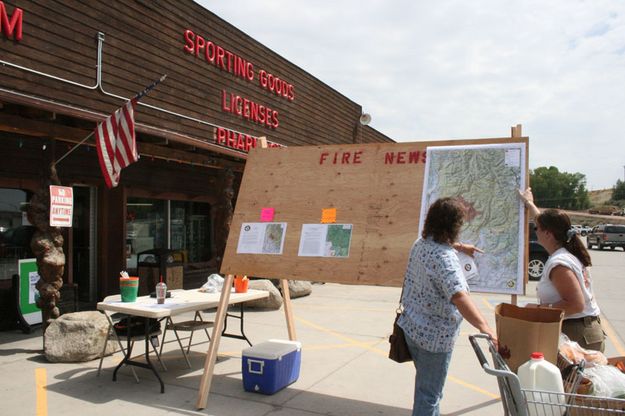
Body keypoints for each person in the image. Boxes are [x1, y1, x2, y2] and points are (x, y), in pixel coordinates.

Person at [397, 197, 497, 416]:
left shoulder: (420, 244)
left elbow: (440, 245)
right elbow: (460, 297)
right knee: (429, 396)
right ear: (454, 226)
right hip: (434, 339)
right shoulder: (445, 259)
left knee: (426, 387)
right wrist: (485, 327)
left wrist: (461, 247)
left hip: (412, 329)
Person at [519, 188, 605, 352]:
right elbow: (544, 221)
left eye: (536, 228)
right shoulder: (566, 251)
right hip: (579, 331)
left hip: (576, 335)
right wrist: (529, 203)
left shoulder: (560, 263)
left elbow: (575, 304)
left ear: (548, 234)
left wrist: (539, 310)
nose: (534, 231)